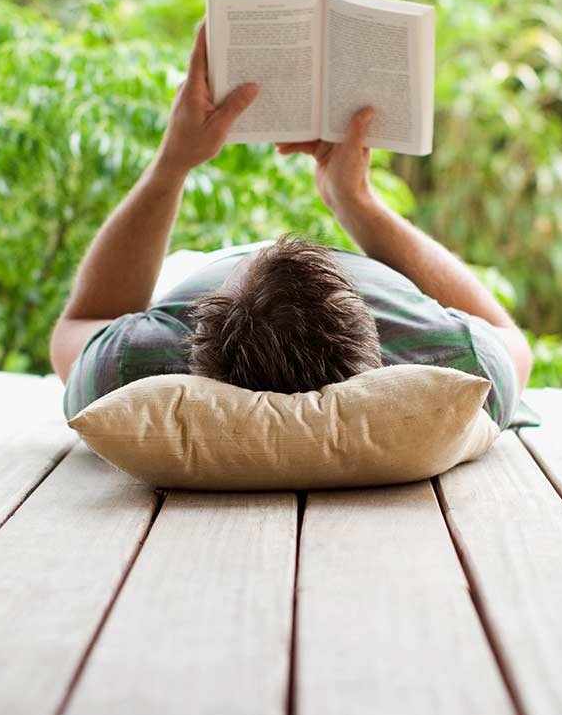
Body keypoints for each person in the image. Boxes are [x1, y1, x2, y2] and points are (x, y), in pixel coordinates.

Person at [52, 23, 532, 427]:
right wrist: (354, 200)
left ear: (197, 337)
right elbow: (510, 340)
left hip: (191, 273)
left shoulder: (133, 368)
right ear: (378, 337)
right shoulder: (461, 374)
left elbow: (78, 324)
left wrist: (172, 163)